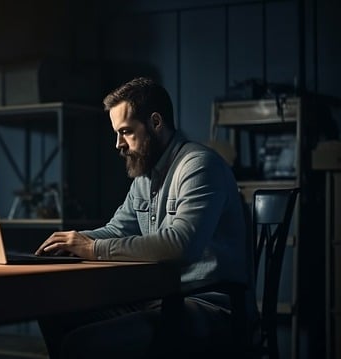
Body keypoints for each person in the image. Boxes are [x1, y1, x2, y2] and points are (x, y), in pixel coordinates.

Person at [34, 77, 249, 358]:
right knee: (55, 311)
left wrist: (91, 248)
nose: (118, 144)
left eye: (126, 132)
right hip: (161, 301)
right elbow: (117, 230)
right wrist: (71, 243)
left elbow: (180, 245)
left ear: (156, 122)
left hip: (210, 308)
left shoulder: (199, 165)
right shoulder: (145, 177)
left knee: (82, 345)